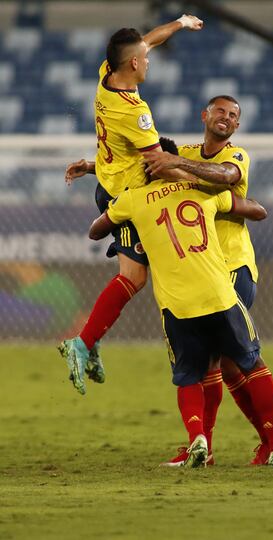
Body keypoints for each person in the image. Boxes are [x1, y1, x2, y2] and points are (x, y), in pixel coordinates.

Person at [65, 95, 273, 465]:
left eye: (232, 114)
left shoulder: (236, 156)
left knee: (223, 362)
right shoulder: (187, 152)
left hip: (232, 266)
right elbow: (149, 164)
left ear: (237, 125)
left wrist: (177, 164)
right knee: (218, 364)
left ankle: (261, 443)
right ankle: (221, 446)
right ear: (204, 115)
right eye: (219, 111)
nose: (225, 118)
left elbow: (223, 180)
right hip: (198, 269)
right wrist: (93, 166)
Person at [58, 14, 204, 393]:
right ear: (134, 64)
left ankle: (89, 340)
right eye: (146, 57)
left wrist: (180, 23)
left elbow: (148, 40)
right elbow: (159, 163)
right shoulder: (135, 113)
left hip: (108, 180)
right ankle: (83, 342)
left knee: (141, 274)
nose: (150, 58)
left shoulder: (107, 71)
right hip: (126, 196)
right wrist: (202, 183)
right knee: (134, 277)